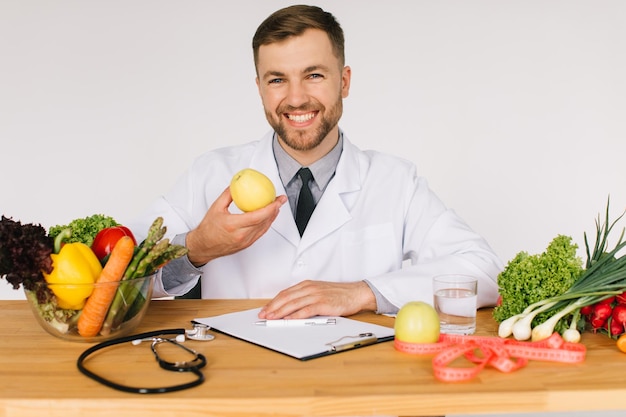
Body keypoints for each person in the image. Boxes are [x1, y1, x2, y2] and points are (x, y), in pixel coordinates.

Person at [129, 5, 503, 320]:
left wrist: (362, 293)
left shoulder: (395, 180)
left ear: (344, 82)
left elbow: (483, 270)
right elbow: (115, 279)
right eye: (277, 79)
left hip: (352, 387)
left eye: (313, 75)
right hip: (241, 385)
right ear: (259, 86)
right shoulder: (210, 174)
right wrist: (196, 248)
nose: (296, 98)